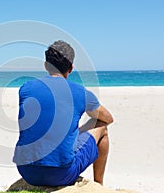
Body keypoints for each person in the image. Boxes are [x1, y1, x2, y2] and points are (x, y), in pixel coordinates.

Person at [13, 40, 113, 186]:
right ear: (71, 68)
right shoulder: (80, 92)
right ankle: (99, 184)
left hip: (26, 171)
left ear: (46, 65)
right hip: (60, 174)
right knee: (101, 126)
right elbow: (108, 118)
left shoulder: (26, 88)